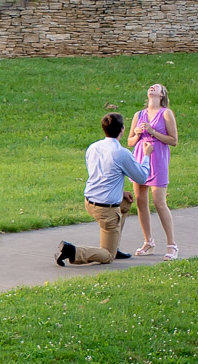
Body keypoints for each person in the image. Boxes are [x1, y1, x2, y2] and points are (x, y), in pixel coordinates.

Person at [56, 112, 154, 266]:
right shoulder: (121, 153)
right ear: (122, 130)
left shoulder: (93, 148)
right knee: (108, 256)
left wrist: (120, 192)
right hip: (106, 210)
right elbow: (141, 177)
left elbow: (100, 175)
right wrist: (147, 155)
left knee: (125, 204)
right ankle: (73, 251)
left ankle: (114, 245)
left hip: (90, 201)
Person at [127, 84, 180, 260]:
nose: (152, 87)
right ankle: (148, 241)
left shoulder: (166, 113)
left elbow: (173, 140)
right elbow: (130, 142)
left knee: (159, 202)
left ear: (162, 94)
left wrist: (152, 132)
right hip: (141, 156)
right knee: (141, 201)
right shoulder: (138, 115)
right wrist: (136, 133)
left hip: (158, 158)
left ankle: (172, 245)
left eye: (156, 87)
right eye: (151, 86)